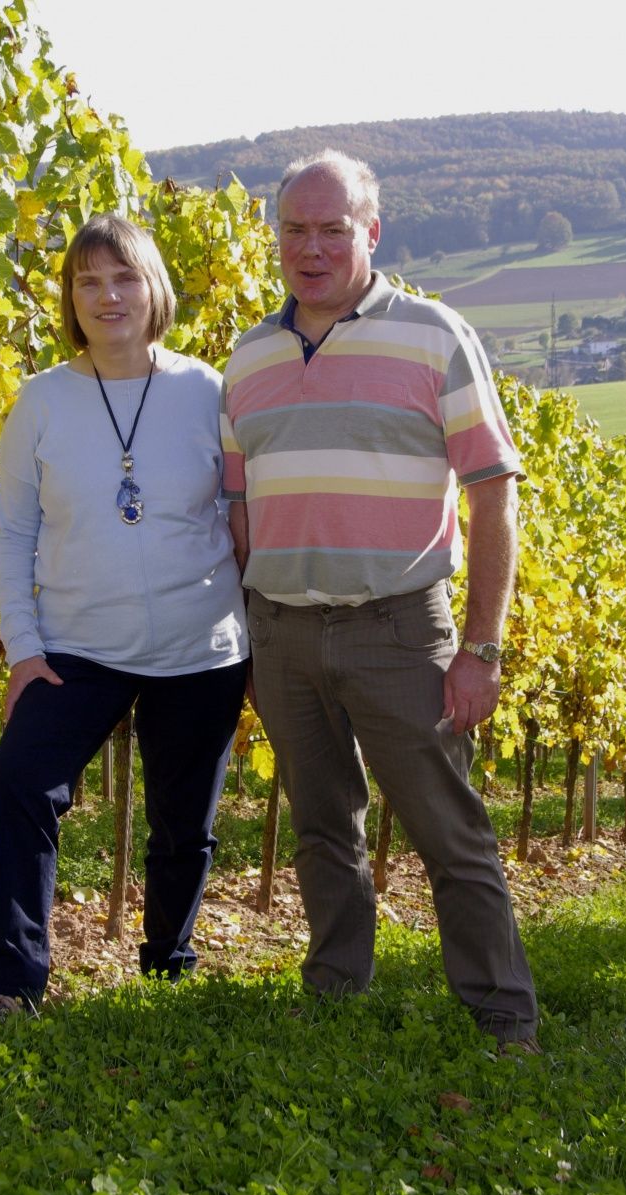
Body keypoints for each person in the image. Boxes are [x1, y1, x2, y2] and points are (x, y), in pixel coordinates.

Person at [221, 151, 540, 1051]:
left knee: (451, 831)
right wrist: (251, 637)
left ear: (372, 230)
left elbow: (492, 494)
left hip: (399, 628)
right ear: (276, 236)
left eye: (332, 229)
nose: (310, 248)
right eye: (294, 229)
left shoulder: (435, 336)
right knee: (323, 827)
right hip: (282, 633)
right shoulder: (248, 357)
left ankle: (502, 1014)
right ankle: (333, 990)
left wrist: (481, 648)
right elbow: (239, 513)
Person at [0, 214, 248, 1017]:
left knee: (183, 824)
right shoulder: (41, 401)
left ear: (153, 286)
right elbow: (13, 529)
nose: (107, 295)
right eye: (87, 282)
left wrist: (258, 635)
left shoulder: (207, 391)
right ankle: (13, 986)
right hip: (75, 649)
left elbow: (241, 514)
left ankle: (168, 965)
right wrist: (23, 649)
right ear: (71, 298)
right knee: (20, 784)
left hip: (200, 647)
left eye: (123, 277)